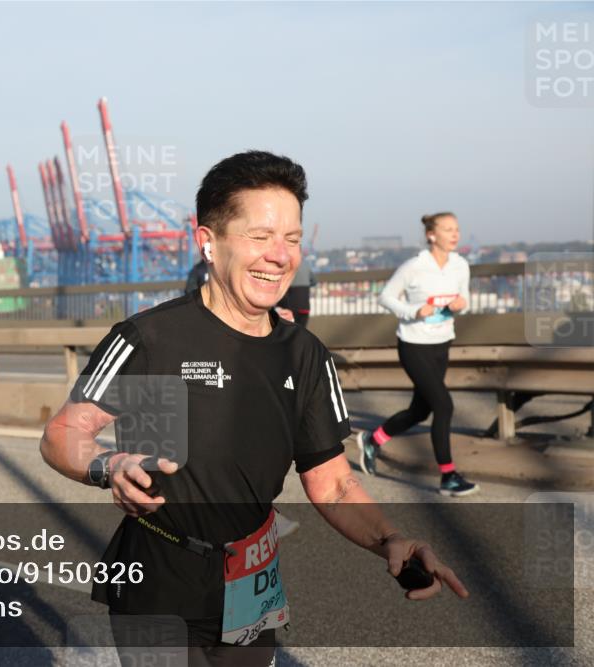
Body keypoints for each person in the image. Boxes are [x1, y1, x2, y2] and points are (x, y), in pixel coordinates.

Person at [40, 151, 469, 666]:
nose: (280, 256)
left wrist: (391, 539)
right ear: (207, 242)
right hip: (158, 579)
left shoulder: (304, 353)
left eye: (292, 239)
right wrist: (107, 465)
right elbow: (63, 433)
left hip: (252, 584)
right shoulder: (149, 338)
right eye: (260, 237)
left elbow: (333, 483)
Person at [357, 212, 478, 497]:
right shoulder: (414, 266)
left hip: (442, 343)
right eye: (448, 229)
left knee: (420, 410)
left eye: (457, 229)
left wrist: (462, 305)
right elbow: (385, 296)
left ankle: (373, 440)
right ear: (431, 235)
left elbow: (466, 300)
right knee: (444, 405)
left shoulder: (460, 265)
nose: (455, 234)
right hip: (413, 345)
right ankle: (448, 477)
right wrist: (414, 311)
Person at [276, 254, 315, 328]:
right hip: (304, 306)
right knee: (301, 330)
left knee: (289, 330)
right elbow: (314, 282)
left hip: (290, 307)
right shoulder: (306, 266)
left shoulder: (288, 267)